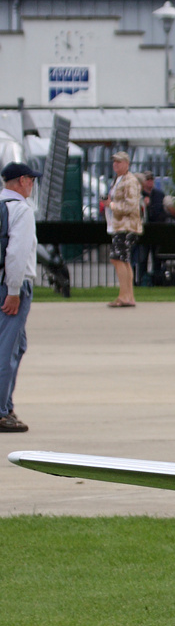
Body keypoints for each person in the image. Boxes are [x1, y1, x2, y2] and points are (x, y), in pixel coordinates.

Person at [0, 162, 39, 433]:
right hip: (11, 286)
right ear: (23, 181)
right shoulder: (21, 210)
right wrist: (14, 291)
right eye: (32, 180)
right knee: (7, 350)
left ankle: (6, 404)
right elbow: (17, 253)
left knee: (17, 346)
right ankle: (2, 411)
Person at [100, 150, 141, 308]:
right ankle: (128, 296)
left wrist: (110, 205)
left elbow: (131, 205)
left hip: (126, 226)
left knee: (118, 259)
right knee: (123, 259)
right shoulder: (118, 179)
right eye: (114, 161)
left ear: (127, 164)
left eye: (119, 161)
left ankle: (124, 296)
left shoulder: (130, 181)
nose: (115, 164)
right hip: (118, 225)